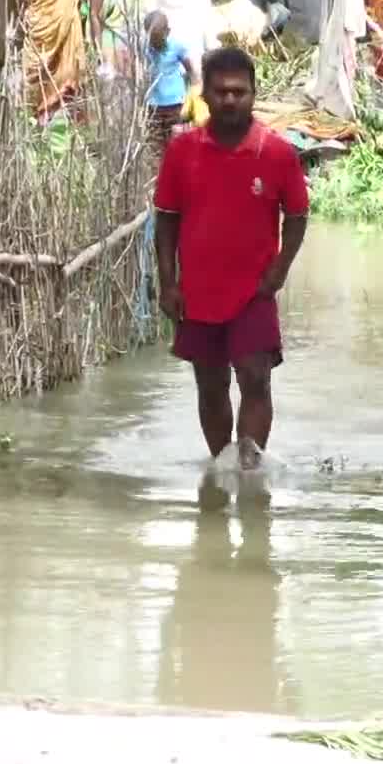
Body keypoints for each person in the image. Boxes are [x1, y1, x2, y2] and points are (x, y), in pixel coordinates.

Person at [153, 47, 309, 472]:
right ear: (204, 94)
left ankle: (249, 469)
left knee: (255, 377)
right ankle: (221, 469)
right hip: (198, 292)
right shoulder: (182, 151)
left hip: (254, 290)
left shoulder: (277, 153)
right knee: (210, 383)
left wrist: (278, 273)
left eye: (239, 92)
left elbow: (297, 217)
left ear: (254, 94)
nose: (230, 100)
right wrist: (168, 282)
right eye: (221, 92)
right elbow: (165, 221)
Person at [143, 10, 193, 154]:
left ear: (168, 32)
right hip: (153, 106)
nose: (156, 44)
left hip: (175, 105)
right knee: (155, 147)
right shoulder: (143, 48)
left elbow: (191, 70)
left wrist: (191, 96)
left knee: (177, 145)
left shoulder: (177, 46)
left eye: (159, 40)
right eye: (153, 40)